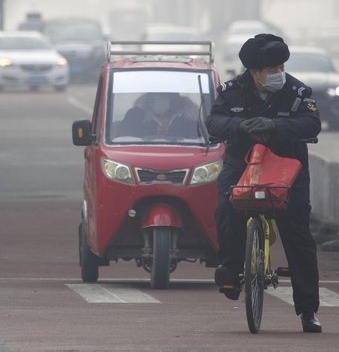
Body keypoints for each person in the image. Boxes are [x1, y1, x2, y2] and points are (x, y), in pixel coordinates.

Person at [205, 33, 323, 334]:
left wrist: (277, 126)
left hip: (287, 169)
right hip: (242, 165)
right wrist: (239, 126)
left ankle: (308, 309)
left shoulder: (297, 91)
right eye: (272, 69)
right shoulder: (232, 92)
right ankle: (231, 271)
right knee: (225, 208)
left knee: (298, 236)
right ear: (255, 72)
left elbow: (312, 123)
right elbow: (214, 123)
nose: (278, 74)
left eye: (281, 67)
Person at [120, 92, 198, 139]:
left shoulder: (188, 121)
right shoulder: (137, 119)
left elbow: (196, 142)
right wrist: (136, 111)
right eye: (152, 98)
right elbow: (123, 139)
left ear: (173, 101)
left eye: (162, 98)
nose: (156, 101)